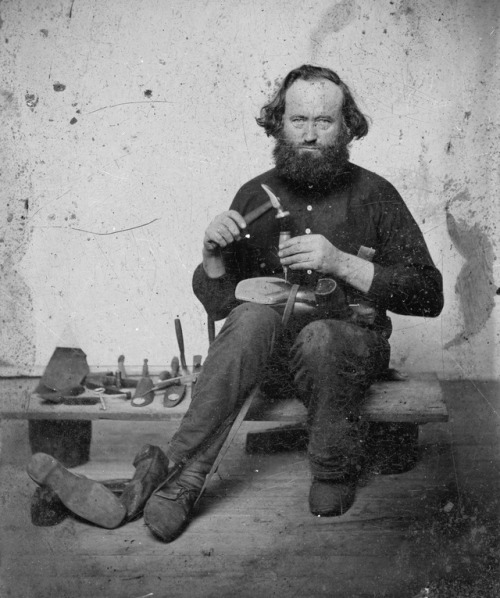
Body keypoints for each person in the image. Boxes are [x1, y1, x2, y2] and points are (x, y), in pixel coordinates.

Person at [27, 64, 443, 542]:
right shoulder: (256, 194)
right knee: (249, 318)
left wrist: (342, 263)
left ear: (346, 126)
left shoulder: (376, 196)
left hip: (347, 357)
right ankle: (183, 476)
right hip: (270, 364)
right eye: (298, 121)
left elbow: (430, 296)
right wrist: (212, 257)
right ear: (279, 123)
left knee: (323, 336)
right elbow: (223, 303)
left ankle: (332, 469)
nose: (309, 134)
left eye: (324, 122)